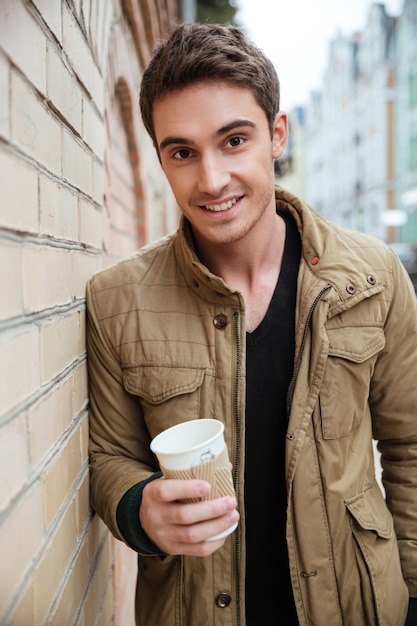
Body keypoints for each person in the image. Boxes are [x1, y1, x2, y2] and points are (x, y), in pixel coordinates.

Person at [86, 22, 417, 626]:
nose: (211, 180)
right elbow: (110, 454)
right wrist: (138, 510)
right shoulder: (116, 300)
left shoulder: (374, 276)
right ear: (160, 159)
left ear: (277, 136)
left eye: (233, 140)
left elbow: (410, 445)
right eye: (182, 152)